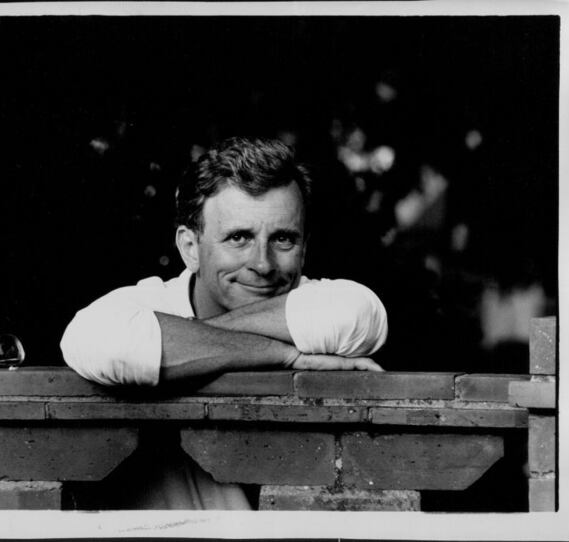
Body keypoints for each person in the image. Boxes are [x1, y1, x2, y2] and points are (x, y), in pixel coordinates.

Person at [60, 137, 388, 510]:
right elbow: (99, 340)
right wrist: (285, 355)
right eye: (238, 237)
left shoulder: (320, 299)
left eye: (283, 238)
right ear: (189, 248)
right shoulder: (151, 301)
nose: (262, 264)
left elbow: (360, 317)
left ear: (305, 246)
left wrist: (186, 339)